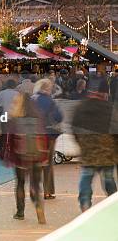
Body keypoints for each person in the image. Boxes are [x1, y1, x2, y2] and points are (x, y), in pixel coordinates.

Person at [1, 91, 48, 224]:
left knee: (20, 184)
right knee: (35, 185)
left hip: (20, 158)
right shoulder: (38, 118)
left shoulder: (14, 120)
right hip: (37, 156)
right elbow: (43, 137)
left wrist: (8, 156)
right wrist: (43, 156)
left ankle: (20, 212)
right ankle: (38, 205)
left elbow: (9, 141)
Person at [72, 77, 117, 211]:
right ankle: (113, 204)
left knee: (86, 176)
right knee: (108, 178)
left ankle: (85, 204)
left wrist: (81, 144)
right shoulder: (110, 108)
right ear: (104, 92)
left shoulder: (81, 107)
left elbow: (74, 128)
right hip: (107, 149)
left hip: (88, 149)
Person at [32, 78, 63, 200]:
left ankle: (34, 190)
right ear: (47, 88)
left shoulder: (31, 99)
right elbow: (59, 117)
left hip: (34, 134)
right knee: (48, 163)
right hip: (49, 135)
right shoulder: (50, 101)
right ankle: (48, 192)